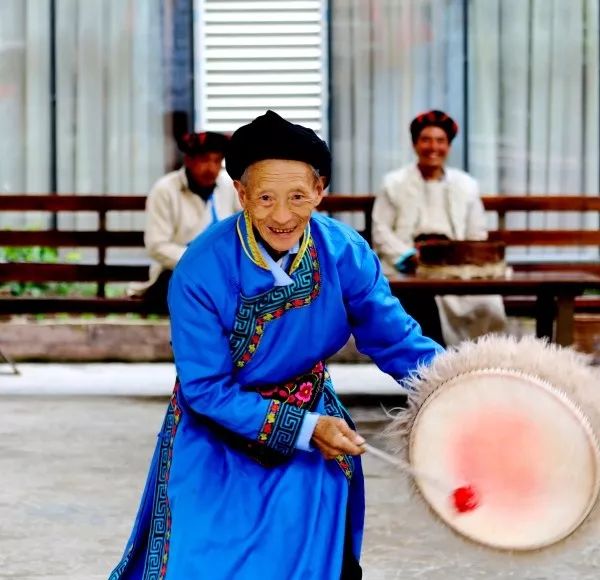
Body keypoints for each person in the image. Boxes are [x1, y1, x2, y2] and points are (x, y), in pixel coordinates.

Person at [110, 110, 442, 580]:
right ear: (241, 194)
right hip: (215, 427)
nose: (282, 216)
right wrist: (305, 429)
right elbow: (206, 390)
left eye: (298, 197)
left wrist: (458, 387)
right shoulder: (199, 271)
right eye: (264, 197)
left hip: (311, 414)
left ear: (320, 192)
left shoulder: (344, 252)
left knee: (307, 535)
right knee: (205, 556)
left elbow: (399, 343)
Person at [372, 109, 507, 346]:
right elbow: (381, 231)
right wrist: (409, 257)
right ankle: (436, 370)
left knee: (488, 303)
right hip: (411, 268)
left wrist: (461, 258)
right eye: (426, 139)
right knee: (420, 304)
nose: (433, 147)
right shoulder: (394, 184)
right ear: (415, 144)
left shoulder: (466, 185)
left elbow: (477, 233)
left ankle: (480, 365)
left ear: (449, 146)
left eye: (440, 140)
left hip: (457, 268)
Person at [128, 131, 240, 311]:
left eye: (217, 161)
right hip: (179, 271)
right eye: (204, 160)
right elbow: (157, 246)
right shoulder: (165, 190)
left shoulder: (230, 186)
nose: (211, 168)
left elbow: (246, 228)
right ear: (188, 160)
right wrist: (201, 262)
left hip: (224, 271)